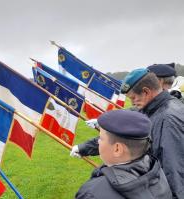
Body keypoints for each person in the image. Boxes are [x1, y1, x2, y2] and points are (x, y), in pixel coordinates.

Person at [71, 68, 184, 198]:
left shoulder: (167, 120)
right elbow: (118, 137)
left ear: (146, 91)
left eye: (133, 97)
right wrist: (84, 148)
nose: (132, 102)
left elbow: (175, 172)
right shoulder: (152, 108)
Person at [75, 110, 172, 199]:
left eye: (101, 138)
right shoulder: (157, 172)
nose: (98, 142)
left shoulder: (92, 193)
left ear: (117, 149)